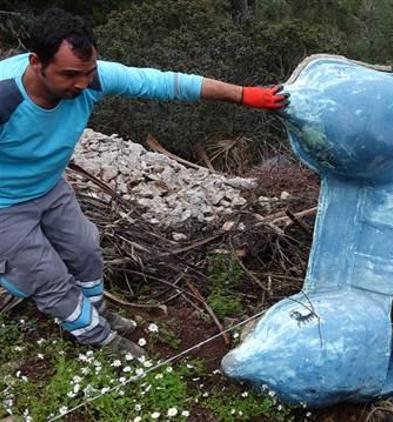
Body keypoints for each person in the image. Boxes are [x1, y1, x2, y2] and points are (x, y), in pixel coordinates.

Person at [0, 9, 288, 357]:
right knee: (46, 276)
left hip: (49, 186)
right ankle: (100, 340)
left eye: (88, 72)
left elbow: (167, 83)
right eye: (69, 75)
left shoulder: (92, 79)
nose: (81, 83)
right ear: (35, 62)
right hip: (5, 205)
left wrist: (245, 95)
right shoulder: (5, 100)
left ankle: (98, 312)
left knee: (86, 250)